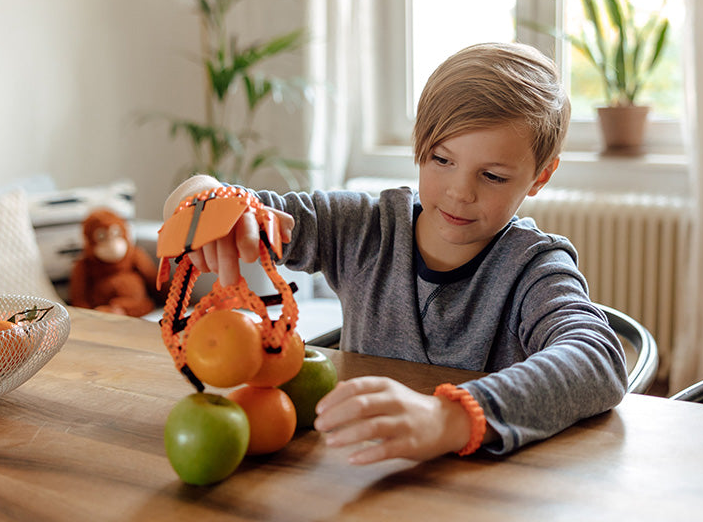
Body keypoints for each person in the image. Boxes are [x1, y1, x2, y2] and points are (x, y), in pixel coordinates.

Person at [163, 42, 627, 465]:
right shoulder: (362, 227)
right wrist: (200, 201)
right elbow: (229, 199)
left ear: (540, 177)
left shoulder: (534, 267)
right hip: (360, 465)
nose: (459, 192)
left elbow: (598, 359)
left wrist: (449, 418)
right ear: (419, 144)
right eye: (442, 160)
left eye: (493, 176)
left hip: (478, 484)